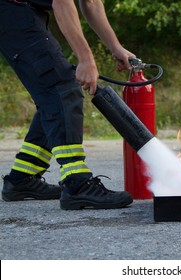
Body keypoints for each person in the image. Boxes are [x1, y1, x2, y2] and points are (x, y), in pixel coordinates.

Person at [0, 0, 135, 210]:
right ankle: (77, 184)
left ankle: (22, 178)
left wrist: (115, 47)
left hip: (23, 11)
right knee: (62, 87)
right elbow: (62, 3)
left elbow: (90, 2)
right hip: (11, 11)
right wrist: (86, 60)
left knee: (52, 96)